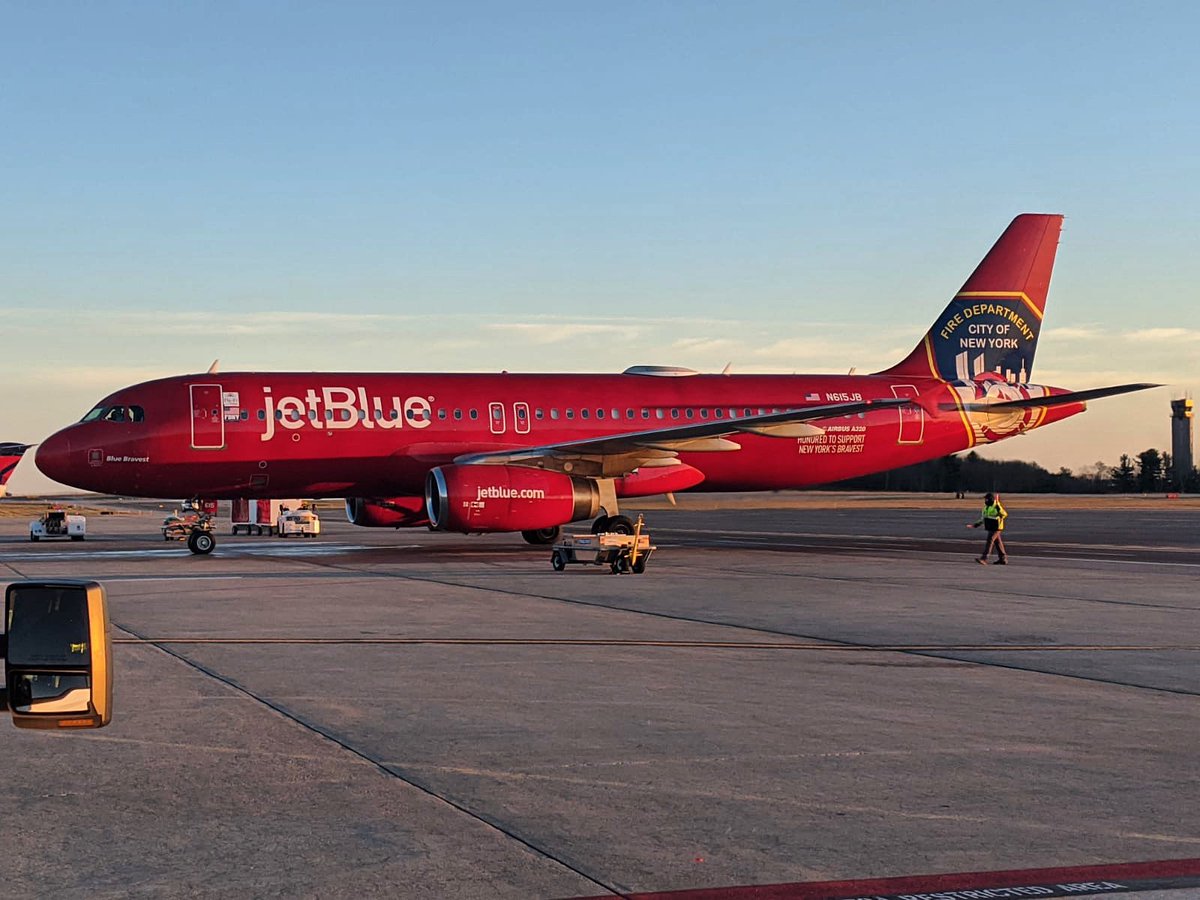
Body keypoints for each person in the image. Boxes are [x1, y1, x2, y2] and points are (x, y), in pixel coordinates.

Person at [967, 492, 1008, 564]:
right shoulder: (985, 508)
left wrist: (999, 510)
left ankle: (984, 558)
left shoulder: (996, 506)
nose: (985, 501)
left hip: (997, 527)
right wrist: (975, 525)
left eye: (986, 499)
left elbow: (1004, 514)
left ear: (990, 500)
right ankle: (1003, 559)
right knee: (998, 542)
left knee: (990, 540)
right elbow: (983, 518)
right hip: (990, 527)